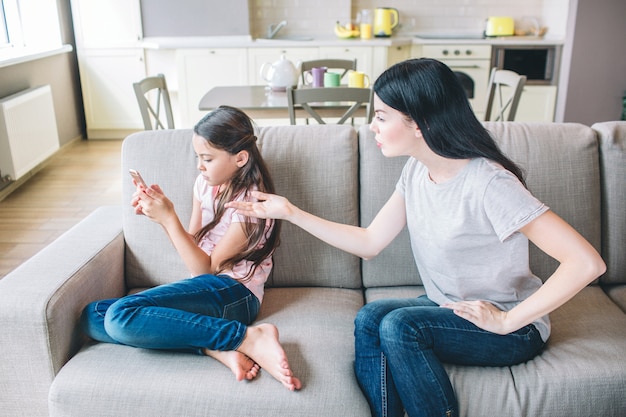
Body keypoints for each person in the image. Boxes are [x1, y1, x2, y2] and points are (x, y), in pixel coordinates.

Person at [225, 58, 606, 415]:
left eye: (381, 116)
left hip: (512, 328)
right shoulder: (416, 172)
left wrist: (508, 322)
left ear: (419, 122)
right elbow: (370, 243)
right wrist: (289, 212)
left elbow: (586, 262)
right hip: (451, 308)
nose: (372, 126)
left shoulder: (489, 183)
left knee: (401, 326)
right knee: (372, 316)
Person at [80, 105, 301, 391]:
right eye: (198, 157)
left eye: (207, 158)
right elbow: (195, 247)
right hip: (207, 288)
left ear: (240, 158)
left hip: (236, 295)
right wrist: (160, 214)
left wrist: (169, 218)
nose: (199, 165)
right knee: (93, 315)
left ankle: (249, 337)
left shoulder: (253, 206)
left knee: (121, 317)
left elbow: (206, 268)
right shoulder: (204, 185)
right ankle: (214, 347)